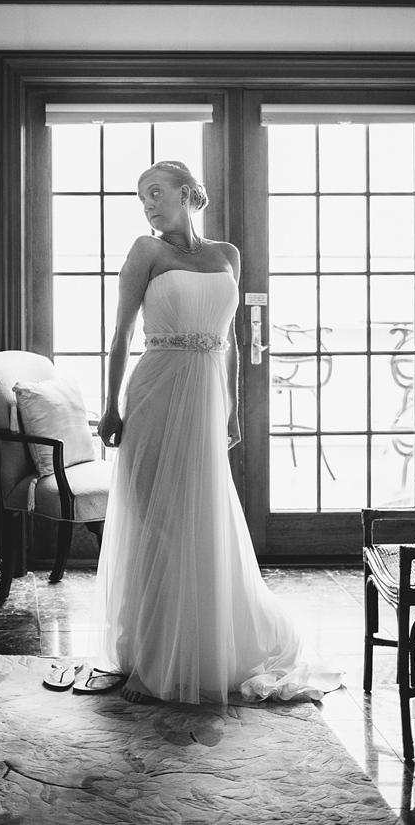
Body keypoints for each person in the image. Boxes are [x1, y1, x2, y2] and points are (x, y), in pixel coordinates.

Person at [90, 160, 341, 705]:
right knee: (156, 518)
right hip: (155, 390)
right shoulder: (145, 252)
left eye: (156, 192)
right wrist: (109, 406)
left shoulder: (226, 255)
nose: (149, 205)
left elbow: (225, 344)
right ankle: (150, 655)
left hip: (205, 396)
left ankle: (203, 645)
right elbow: (119, 334)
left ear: (187, 192)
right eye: (142, 198)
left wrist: (229, 411)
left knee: (200, 515)